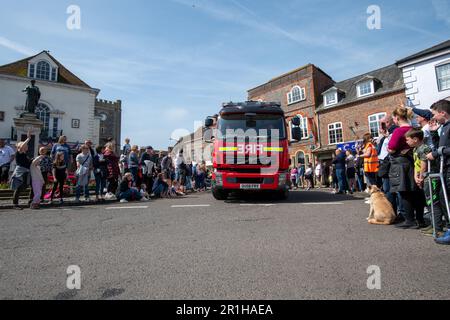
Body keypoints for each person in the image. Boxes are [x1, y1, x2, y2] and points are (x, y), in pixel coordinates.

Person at [388, 107, 419, 229]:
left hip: (400, 163)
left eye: (393, 118)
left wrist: (390, 149)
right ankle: (419, 219)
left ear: (397, 118)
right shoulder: (414, 128)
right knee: (414, 191)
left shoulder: (399, 131)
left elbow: (391, 148)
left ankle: (409, 220)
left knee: (404, 191)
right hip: (412, 161)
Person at [426, 100, 450, 244]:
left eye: (435, 114)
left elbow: (442, 150)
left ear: (443, 112)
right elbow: (440, 147)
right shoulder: (444, 127)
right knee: (443, 197)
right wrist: (434, 134)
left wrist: (437, 153)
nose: (433, 118)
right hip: (445, 167)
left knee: (446, 198)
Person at [405, 128, 429, 229]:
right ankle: (423, 221)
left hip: (427, 177)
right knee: (421, 200)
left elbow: (424, 164)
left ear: (415, 139)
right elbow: (416, 164)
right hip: (419, 177)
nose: (406, 142)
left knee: (430, 201)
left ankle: (437, 225)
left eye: (407, 139)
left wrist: (421, 177)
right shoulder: (415, 149)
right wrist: (415, 176)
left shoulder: (424, 148)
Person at [10, 131, 32, 210]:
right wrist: (28, 138)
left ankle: (19, 202)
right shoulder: (19, 153)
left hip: (25, 172)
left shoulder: (25, 155)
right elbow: (21, 147)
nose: (27, 146)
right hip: (20, 172)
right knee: (18, 188)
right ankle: (15, 204)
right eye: (25, 145)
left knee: (25, 186)